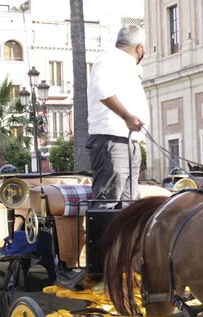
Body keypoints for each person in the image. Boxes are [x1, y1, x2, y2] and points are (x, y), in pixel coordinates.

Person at [86, 25, 148, 209]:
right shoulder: (109, 58)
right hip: (111, 141)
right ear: (139, 48)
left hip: (129, 142)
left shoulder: (127, 66)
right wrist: (127, 116)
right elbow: (102, 91)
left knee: (129, 206)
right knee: (107, 204)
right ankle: (102, 239)